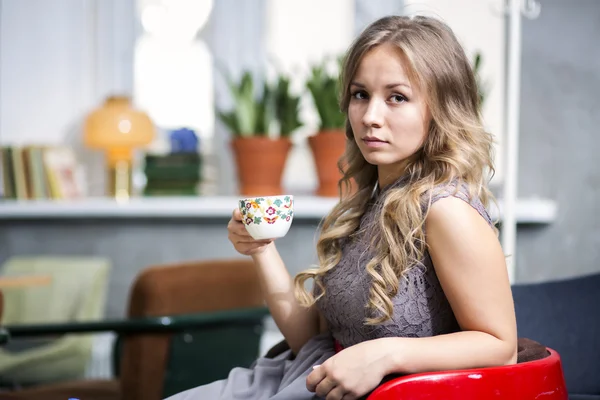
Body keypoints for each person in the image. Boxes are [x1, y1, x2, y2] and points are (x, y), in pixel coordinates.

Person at [166, 14, 517, 400]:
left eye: (397, 97)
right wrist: (261, 250)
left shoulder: (447, 210)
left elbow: (502, 347)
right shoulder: (373, 201)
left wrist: (384, 355)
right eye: (360, 94)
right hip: (300, 376)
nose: (370, 117)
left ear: (441, 108)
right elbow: (311, 341)